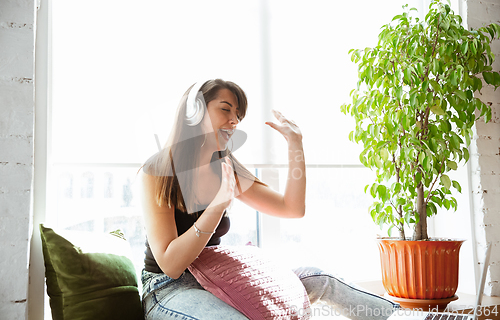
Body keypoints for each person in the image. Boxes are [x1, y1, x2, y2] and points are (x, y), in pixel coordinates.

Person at [137, 79, 399, 320]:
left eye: (238, 115)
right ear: (194, 112)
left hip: (219, 277)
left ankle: (408, 317)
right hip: (168, 288)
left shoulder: (226, 166)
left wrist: (295, 143)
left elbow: (292, 208)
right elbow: (170, 265)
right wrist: (217, 205)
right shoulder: (159, 170)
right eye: (225, 109)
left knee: (320, 279)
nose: (234, 121)